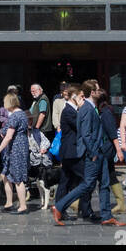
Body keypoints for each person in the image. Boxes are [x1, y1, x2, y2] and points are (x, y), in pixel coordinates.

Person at [52, 82, 125, 228]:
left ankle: (106, 216)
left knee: (104, 184)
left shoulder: (92, 108)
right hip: (94, 153)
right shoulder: (86, 109)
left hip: (101, 152)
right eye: (97, 89)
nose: (101, 91)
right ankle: (59, 207)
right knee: (88, 183)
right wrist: (93, 153)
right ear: (92, 92)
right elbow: (85, 134)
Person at [54, 85, 91, 219]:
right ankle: (84, 209)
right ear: (73, 96)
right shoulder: (69, 111)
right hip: (72, 152)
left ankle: (60, 208)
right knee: (87, 180)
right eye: (80, 96)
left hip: (70, 152)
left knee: (66, 181)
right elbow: (80, 126)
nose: (83, 99)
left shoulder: (72, 110)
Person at [0, 93, 30, 213]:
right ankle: (9, 203)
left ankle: (23, 206)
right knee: (5, 175)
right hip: (19, 146)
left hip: (16, 149)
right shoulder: (22, 114)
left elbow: (8, 136)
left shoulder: (15, 116)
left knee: (18, 178)